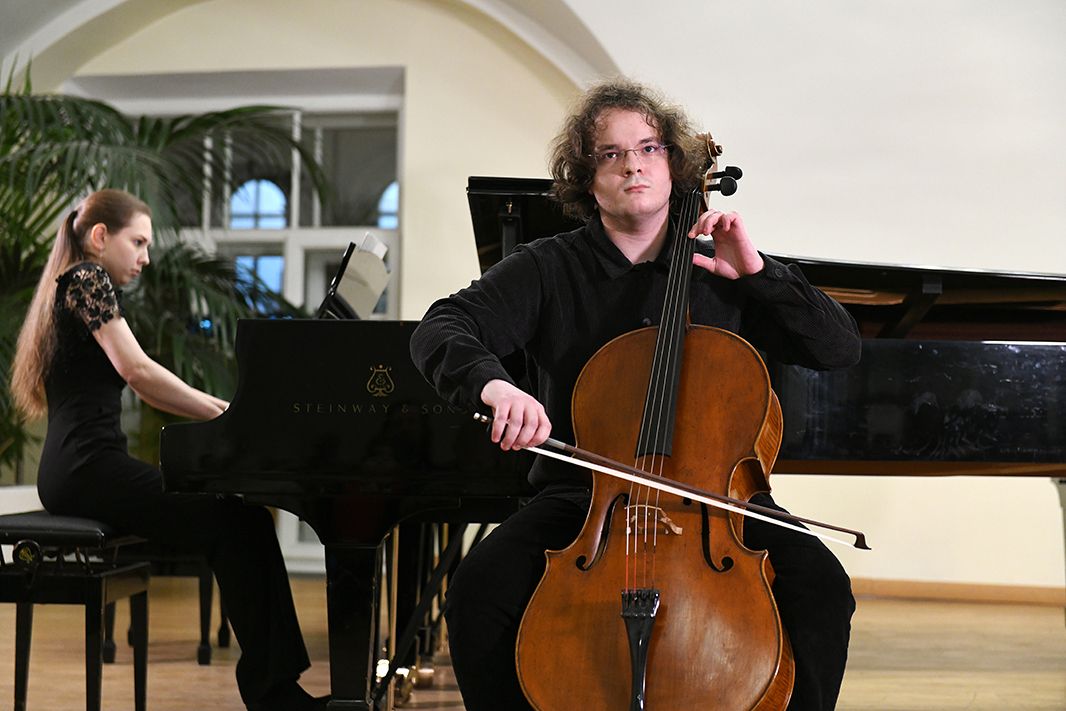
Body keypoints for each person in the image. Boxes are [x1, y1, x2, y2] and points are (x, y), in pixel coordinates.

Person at [410, 78, 862, 710]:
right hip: (586, 500)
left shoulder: (726, 267)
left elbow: (839, 349)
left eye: (649, 148)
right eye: (611, 154)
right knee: (478, 591)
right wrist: (494, 385)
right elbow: (441, 326)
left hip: (718, 503)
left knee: (822, 586)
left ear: (673, 165)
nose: (633, 165)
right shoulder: (547, 267)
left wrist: (760, 275)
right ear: (586, 178)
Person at [10, 189, 326, 711]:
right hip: (87, 470)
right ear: (99, 236)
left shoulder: (74, 284)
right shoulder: (88, 279)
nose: (146, 257)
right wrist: (226, 414)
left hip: (82, 468)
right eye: (138, 242)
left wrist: (225, 411)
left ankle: (276, 687)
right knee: (239, 521)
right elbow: (138, 372)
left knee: (242, 519)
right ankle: (275, 693)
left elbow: (141, 377)